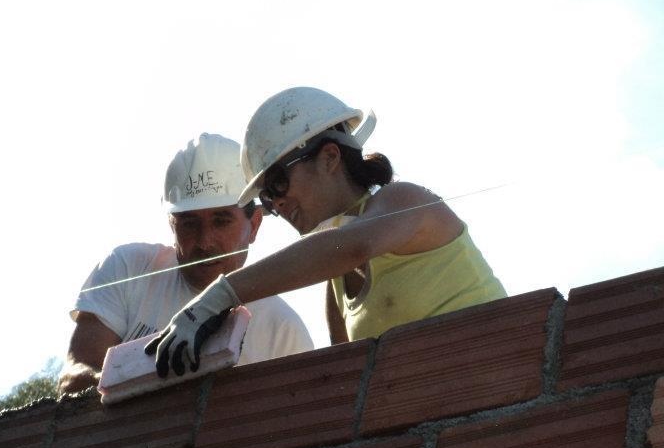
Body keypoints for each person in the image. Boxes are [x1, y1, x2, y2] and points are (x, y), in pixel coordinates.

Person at [146, 87, 507, 377]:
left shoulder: (405, 200)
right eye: (268, 200)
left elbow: (353, 245)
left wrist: (217, 297)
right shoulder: (336, 286)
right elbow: (349, 379)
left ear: (330, 157)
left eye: (278, 183)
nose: (277, 204)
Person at [58, 133, 314, 394]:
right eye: (189, 223)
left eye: (221, 220)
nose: (204, 242)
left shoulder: (281, 330)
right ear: (172, 224)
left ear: (255, 224)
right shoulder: (127, 268)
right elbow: (73, 377)